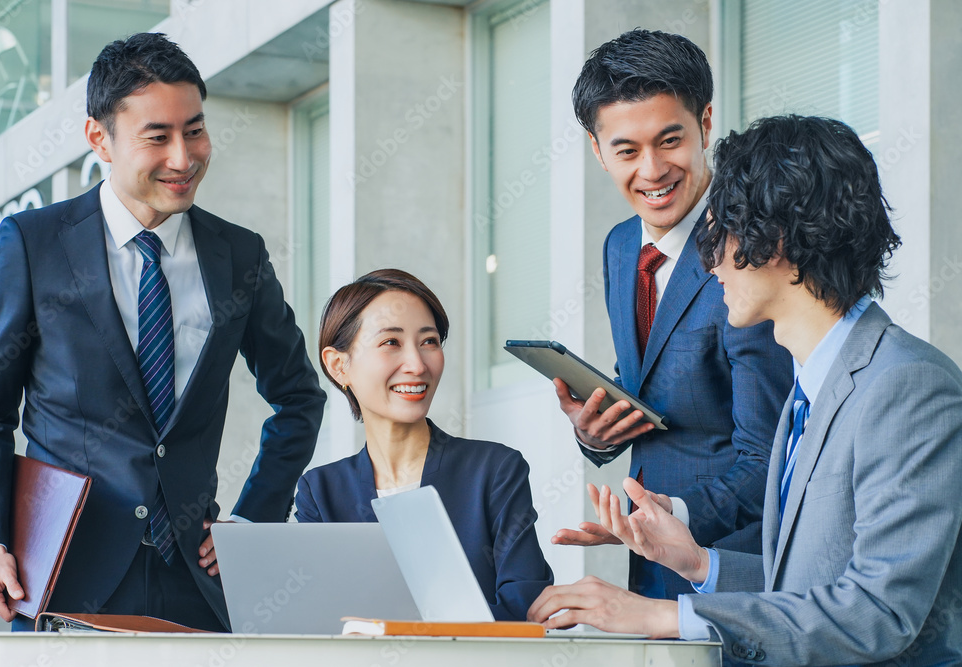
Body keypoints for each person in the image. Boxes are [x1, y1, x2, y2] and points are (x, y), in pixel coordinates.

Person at [529, 115, 962, 666]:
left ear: (774, 239)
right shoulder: (812, 390)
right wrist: (698, 564)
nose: (709, 264)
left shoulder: (908, 387)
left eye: (720, 234)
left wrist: (664, 615)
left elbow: (877, 611)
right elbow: (807, 584)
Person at [0, 33, 326, 632]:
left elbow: (298, 399)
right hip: (63, 581)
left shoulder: (239, 254)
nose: (184, 157)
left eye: (195, 130)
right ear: (98, 139)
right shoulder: (31, 246)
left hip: (201, 586)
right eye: (157, 137)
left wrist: (255, 521)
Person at [552, 28, 790, 600]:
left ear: (706, 124)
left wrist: (668, 514)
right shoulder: (618, 246)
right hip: (652, 561)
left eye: (670, 141)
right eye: (626, 151)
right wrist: (596, 433)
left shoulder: (749, 248)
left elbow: (774, 456)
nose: (652, 170)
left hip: (737, 567)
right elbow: (649, 385)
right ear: (597, 149)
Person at [294, 269, 553, 621]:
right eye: (391, 343)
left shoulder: (494, 471)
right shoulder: (320, 492)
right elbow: (317, 618)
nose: (417, 365)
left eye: (429, 341)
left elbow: (528, 609)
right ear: (339, 365)